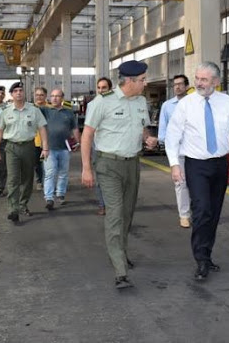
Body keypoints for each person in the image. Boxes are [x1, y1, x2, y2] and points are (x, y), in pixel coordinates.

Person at [165, 62, 229, 281]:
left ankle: (207, 255)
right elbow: (172, 136)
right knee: (202, 211)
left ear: (216, 82)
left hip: (220, 165)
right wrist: (174, 164)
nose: (199, 83)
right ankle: (200, 260)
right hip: (195, 164)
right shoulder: (186, 104)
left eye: (204, 80)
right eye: (197, 78)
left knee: (214, 213)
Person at [81, 61, 158, 289]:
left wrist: (147, 139)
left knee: (127, 213)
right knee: (114, 214)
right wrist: (86, 168)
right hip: (108, 165)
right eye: (143, 80)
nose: (145, 83)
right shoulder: (102, 103)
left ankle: (120, 253)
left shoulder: (141, 102)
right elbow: (87, 136)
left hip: (132, 164)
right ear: (130, 81)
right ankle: (120, 270)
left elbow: (141, 127)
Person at [0, 82, 49, 225]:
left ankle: (23, 204)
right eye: (16, 91)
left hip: (29, 147)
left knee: (27, 179)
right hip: (11, 148)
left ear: (24, 93)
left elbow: (42, 128)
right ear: (11, 94)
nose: (19, 93)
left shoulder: (34, 110)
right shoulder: (5, 112)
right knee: (13, 179)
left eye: (21, 90)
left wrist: (45, 147)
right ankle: (13, 210)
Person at [158, 74, 191, 228]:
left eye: (180, 84)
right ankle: (184, 215)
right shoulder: (167, 106)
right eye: (175, 84)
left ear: (187, 86)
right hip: (178, 150)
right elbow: (163, 130)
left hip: (196, 149)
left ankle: (198, 213)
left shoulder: (195, 103)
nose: (177, 87)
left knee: (198, 182)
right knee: (181, 183)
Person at [43, 89, 81, 210]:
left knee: (63, 173)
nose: (54, 98)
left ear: (62, 98)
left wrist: (78, 141)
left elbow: (75, 129)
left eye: (57, 96)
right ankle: (49, 197)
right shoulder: (45, 111)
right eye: (52, 96)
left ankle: (60, 194)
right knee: (50, 173)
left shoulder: (69, 113)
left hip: (65, 148)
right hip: (49, 148)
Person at [93, 77, 112, 215]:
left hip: (115, 147)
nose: (101, 90)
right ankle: (102, 204)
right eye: (99, 88)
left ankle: (113, 205)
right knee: (100, 178)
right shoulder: (92, 105)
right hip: (98, 147)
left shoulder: (117, 104)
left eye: (104, 87)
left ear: (110, 89)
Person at [33, 87, 49, 191]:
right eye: (37, 95)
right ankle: (39, 180)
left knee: (47, 162)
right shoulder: (30, 108)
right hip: (35, 141)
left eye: (41, 95)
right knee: (38, 162)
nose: (39, 97)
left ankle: (47, 182)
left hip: (47, 141)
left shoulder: (50, 108)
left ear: (45, 96)